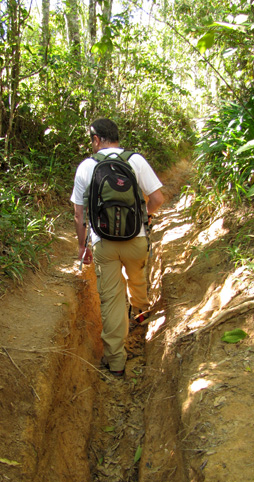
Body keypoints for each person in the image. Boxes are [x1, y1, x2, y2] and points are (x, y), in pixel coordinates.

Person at [70, 118, 165, 377]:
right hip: (136, 240)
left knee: (111, 301)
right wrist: (145, 218)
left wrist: (82, 246)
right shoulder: (136, 160)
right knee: (137, 277)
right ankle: (141, 313)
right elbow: (157, 198)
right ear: (117, 137)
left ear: (97, 139)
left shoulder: (87, 167)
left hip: (104, 245)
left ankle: (116, 363)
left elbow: (79, 215)